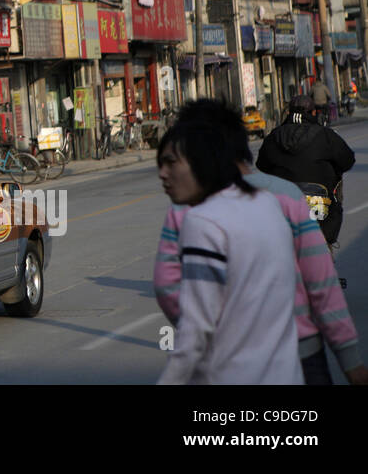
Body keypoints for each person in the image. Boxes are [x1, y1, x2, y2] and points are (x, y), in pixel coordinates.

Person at [155, 99, 366, 385]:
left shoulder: (189, 210)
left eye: (177, 159)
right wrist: (350, 361)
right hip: (299, 349)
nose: (165, 173)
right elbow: (321, 282)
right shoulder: (282, 198)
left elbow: (171, 290)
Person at [155, 111, 302, 384]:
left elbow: (196, 330)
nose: (163, 174)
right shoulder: (267, 203)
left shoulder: (202, 220)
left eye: (171, 163)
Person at [257, 95, 356, 244]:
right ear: (314, 113)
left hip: (283, 210)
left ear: (288, 113)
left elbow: (262, 166)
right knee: (337, 179)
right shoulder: (326, 135)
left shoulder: (273, 136)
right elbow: (347, 161)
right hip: (321, 210)